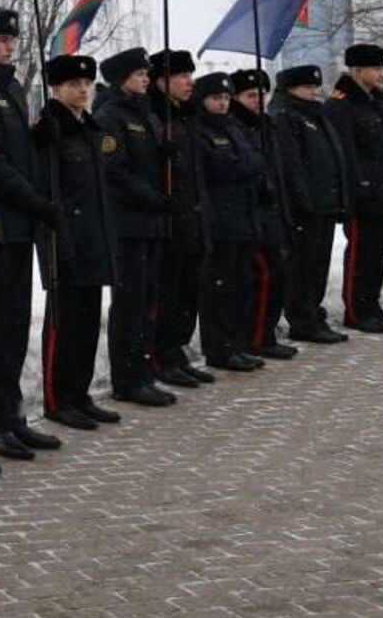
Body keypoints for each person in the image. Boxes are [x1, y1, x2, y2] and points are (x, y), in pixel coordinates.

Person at [0, 8, 63, 459]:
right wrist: (34, 200)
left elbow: (17, 152)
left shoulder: (11, 88)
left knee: (16, 325)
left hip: (21, 226)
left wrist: (39, 136)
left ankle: (12, 414)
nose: (8, 46)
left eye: (11, 40)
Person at [30, 54, 119, 432]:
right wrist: (60, 235)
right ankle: (58, 399)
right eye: (73, 85)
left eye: (87, 84)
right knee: (63, 324)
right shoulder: (50, 130)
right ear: (55, 88)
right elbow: (47, 188)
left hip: (93, 236)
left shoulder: (90, 128)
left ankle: (79, 394)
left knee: (85, 323)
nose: (82, 90)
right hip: (64, 238)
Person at [92, 48, 176, 407]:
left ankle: (143, 371)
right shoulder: (111, 115)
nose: (145, 79)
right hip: (127, 223)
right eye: (139, 74)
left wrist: (165, 153)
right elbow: (115, 170)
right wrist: (151, 197)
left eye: (146, 75)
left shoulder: (149, 114)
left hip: (150, 224)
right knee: (129, 303)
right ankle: (127, 378)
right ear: (121, 78)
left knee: (148, 300)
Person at [188, 73, 269, 371]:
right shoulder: (200, 129)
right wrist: (247, 165)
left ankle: (236, 343)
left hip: (244, 217)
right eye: (215, 98)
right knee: (218, 290)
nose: (222, 103)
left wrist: (247, 165)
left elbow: (255, 160)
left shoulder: (233, 126)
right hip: (220, 220)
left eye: (225, 98)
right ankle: (219, 349)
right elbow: (224, 166)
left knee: (239, 286)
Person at [326, 44, 383, 333]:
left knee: (376, 254)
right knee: (361, 254)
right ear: (358, 71)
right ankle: (357, 311)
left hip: (382, 190)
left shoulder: (376, 101)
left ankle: (372, 306)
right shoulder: (342, 104)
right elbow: (346, 153)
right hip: (363, 194)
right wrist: (358, 187)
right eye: (376, 69)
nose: (382, 74)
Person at [268, 65, 351, 344]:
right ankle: (302, 320)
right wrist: (302, 201)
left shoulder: (315, 114)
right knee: (302, 267)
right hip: (306, 206)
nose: (313, 92)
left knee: (318, 265)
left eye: (314, 87)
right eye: (307, 88)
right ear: (290, 88)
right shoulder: (285, 116)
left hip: (324, 202)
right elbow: (292, 165)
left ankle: (313, 314)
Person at [146, 49, 213, 387]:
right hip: (168, 220)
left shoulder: (187, 116)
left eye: (191, 75)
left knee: (188, 292)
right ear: (161, 81)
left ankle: (177, 351)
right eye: (182, 76)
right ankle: (161, 355)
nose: (190, 82)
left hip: (193, 217)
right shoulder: (154, 116)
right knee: (168, 293)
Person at [229, 69, 299, 360]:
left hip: (272, 211)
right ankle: (255, 337)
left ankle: (264, 334)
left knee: (277, 275)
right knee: (264, 275)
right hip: (250, 213)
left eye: (261, 95)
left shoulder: (266, 125)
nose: (258, 101)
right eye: (250, 96)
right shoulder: (236, 126)